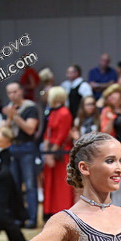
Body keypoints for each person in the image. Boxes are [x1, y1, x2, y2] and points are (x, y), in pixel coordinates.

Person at [3, 82, 39, 229]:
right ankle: (19, 217)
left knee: (30, 185)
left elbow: (30, 129)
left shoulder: (30, 107)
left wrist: (15, 116)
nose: (12, 95)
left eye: (15, 91)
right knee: (15, 185)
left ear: (21, 91)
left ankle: (32, 218)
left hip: (26, 147)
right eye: (9, 92)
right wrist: (9, 117)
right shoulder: (10, 108)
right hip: (12, 146)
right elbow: (5, 130)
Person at [42, 86, 74, 221]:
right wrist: (46, 152)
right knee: (50, 183)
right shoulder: (52, 112)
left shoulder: (64, 113)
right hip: (51, 151)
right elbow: (47, 133)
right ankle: (50, 211)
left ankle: (63, 212)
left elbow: (61, 135)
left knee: (62, 184)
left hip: (61, 153)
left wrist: (50, 153)